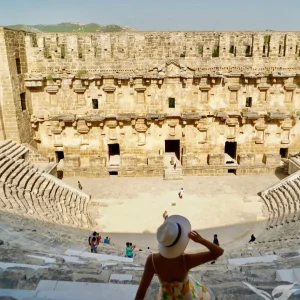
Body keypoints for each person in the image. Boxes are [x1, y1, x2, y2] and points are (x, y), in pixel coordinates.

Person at [135, 215, 224, 300]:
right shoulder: (186, 260)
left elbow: (142, 291)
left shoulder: (152, 260)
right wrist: (201, 240)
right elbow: (219, 252)